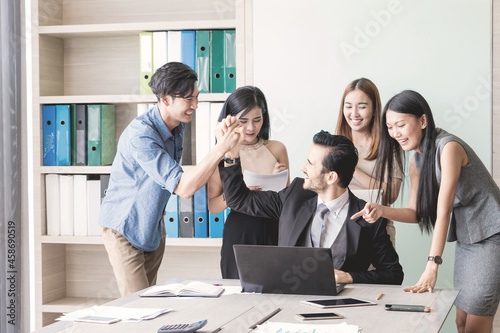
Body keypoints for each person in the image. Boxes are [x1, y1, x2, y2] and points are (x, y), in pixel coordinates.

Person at [352, 90, 500, 332]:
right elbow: (416, 213)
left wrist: (433, 264)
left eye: (400, 124)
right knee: (461, 321)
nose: (395, 133)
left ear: (422, 121)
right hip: (468, 238)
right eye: (390, 127)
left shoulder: (449, 147)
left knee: (476, 323)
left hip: (492, 234)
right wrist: (381, 210)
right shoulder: (416, 160)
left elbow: (443, 210)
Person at [98, 62, 243, 296]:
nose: (195, 105)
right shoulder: (141, 136)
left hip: (152, 227)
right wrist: (222, 147)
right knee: (137, 306)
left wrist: (225, 132)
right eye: (188, 99)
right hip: (124, 228)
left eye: (196, 97)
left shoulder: (177, 125)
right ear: (165, 99)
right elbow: (184, 187)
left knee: (151, 303)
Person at [218, 128, 404, 285]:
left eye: (310, 163)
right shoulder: (294, 196)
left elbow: (393, 274)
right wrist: (231, 156)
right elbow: (238, 200)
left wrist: (349, 277)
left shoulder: (367, 217)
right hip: (285, 301)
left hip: (341, 310)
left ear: (331, 177)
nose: (302, 167)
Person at [207, 86, 290, 278]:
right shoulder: (222, 154)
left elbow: (287, 202)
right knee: (238, 293)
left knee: (277, 287)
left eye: (257, 120)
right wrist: (238, 194)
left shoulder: (277, 148)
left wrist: (278, 180)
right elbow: (213, 206)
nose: (251, 128)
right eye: (243, 121)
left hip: (273, 228)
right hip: (241, 231)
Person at [336, 78, 402, 247]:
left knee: (380, 274)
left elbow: (390, 195)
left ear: (374, 110)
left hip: (378, 231)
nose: (354, 113)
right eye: (349, 106)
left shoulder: (389, 145)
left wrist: (352, 167)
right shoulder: (334, 144)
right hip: (339, 228)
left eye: (362, 106)